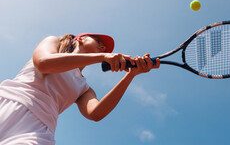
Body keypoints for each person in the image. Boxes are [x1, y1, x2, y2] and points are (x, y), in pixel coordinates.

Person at [0, 33, 160, 144]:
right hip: (7, 103)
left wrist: (131, 75)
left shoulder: (84, 88)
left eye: (105, 49)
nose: (103, 47)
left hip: (39, 129)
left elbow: (96, 113)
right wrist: (102, 57)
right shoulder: (53, 42)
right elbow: (43, 62)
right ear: (81, 39)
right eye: (99, 41)